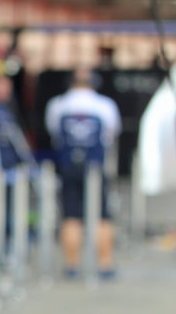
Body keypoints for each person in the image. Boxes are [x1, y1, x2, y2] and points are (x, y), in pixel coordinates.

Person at [45, 67, 122, 278]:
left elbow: (54, 133)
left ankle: (72, 265)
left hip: (68, 167)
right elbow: (111, 133)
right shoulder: (105, 105)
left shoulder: (58, 105)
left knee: (70, 216)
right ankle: (105, 265)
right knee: (102, 216)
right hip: (95, 167)